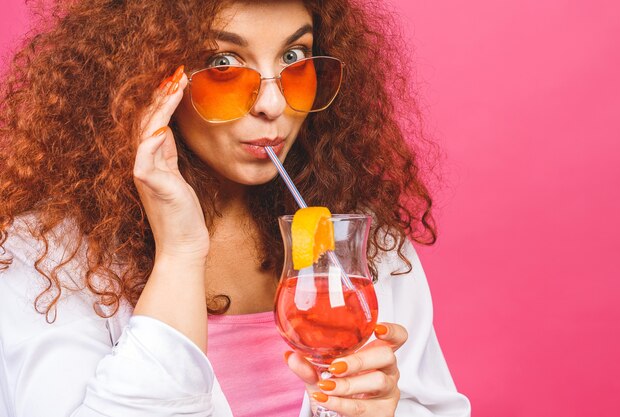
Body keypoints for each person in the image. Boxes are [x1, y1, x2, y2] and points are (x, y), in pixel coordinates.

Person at [0, 0, 471, 416]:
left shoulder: (363, 238)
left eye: (294, 56)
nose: (274, 103)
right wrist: (180, 254)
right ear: (148, 81)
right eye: (223, 63)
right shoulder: (45, 256)